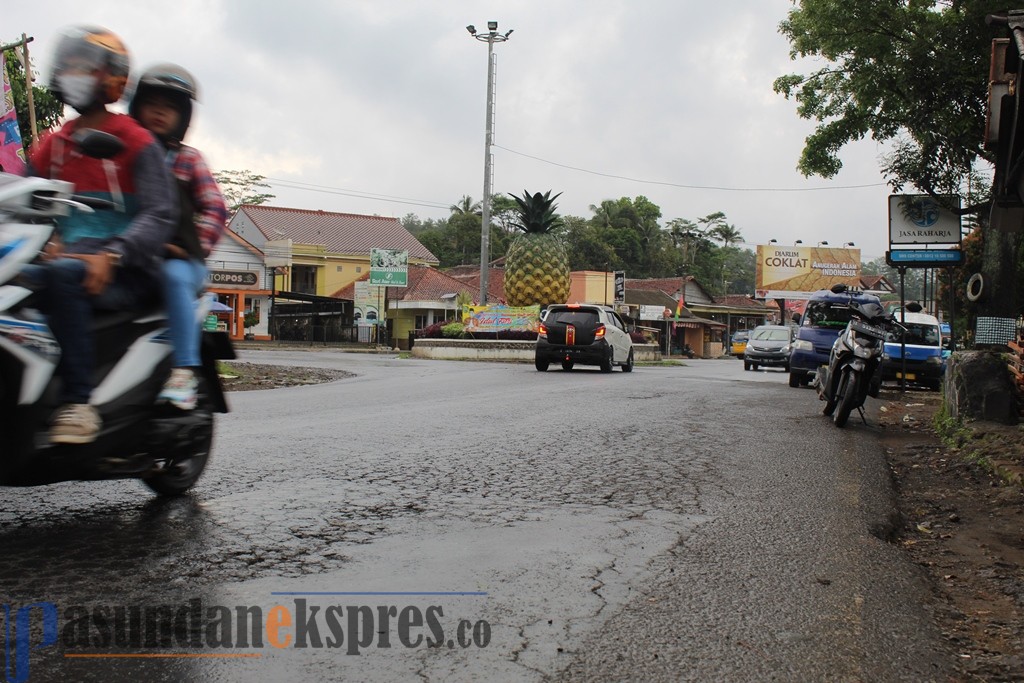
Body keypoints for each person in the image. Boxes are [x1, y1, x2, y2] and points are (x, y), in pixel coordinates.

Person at [27, 25, 176, 444]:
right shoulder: (53, 145)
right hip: (70, 263)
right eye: (68, 64)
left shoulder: (136, 140)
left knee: (60, 279)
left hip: (128, 270)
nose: (72, 71)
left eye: (84, 65)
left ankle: (78, 403)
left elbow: (159, 214)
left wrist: (112, 254)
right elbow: (22, 193)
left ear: (112, 77)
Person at [128, 63, 226, 410]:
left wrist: (188, 248)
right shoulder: (124, 156)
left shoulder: (187, 160)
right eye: (151, 103)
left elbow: (215, 209)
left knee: (172, 276)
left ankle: (183, 373)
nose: (158, 111)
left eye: (168, 107)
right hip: (133, 254)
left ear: (182, 116)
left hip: (181, 262)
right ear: (135, 107)